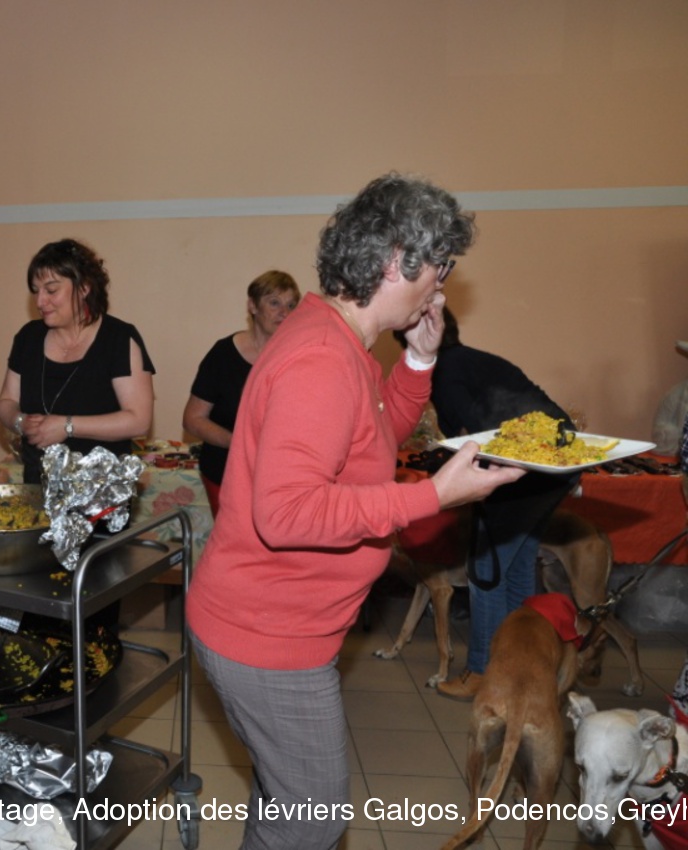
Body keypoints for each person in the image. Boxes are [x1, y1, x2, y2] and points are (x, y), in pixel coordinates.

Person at [185, 173, 525, 850]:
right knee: (313, 818)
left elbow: (371, 441)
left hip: (275, 625)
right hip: (267, 637)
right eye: (439, 269)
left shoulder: (338, 337)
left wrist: (418, 364)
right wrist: (434, 496)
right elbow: (286, 513)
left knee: (285, 807)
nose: (441, 290)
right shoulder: (321, 357)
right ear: (398, 261)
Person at [394, 308, 583, 700]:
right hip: (561, 463)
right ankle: (518, 666)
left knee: (486, 571)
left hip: (524, 468)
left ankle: (482, 672)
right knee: (517, 565)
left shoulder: (445, 372)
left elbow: (473, 438)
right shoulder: (477, 360)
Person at [0, 238, 155, 484]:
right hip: (38, 487)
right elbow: (6, 402)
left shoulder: (118, 339)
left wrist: (67, 426)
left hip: (101, 492)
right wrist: (20, 421)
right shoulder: (28, 338)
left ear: (84, 288)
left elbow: (139, 421)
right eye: (36, 291)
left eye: (51, 290)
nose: (40, 302)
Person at [183, 270, 300, 514]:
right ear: (253, 306)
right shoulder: (223, 355)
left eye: (291, 305)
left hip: (282, 479)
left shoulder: (300, 356)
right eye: (274, 303)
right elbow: (193, 419)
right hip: (225, 472)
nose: (284, 312)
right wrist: (239, 442)